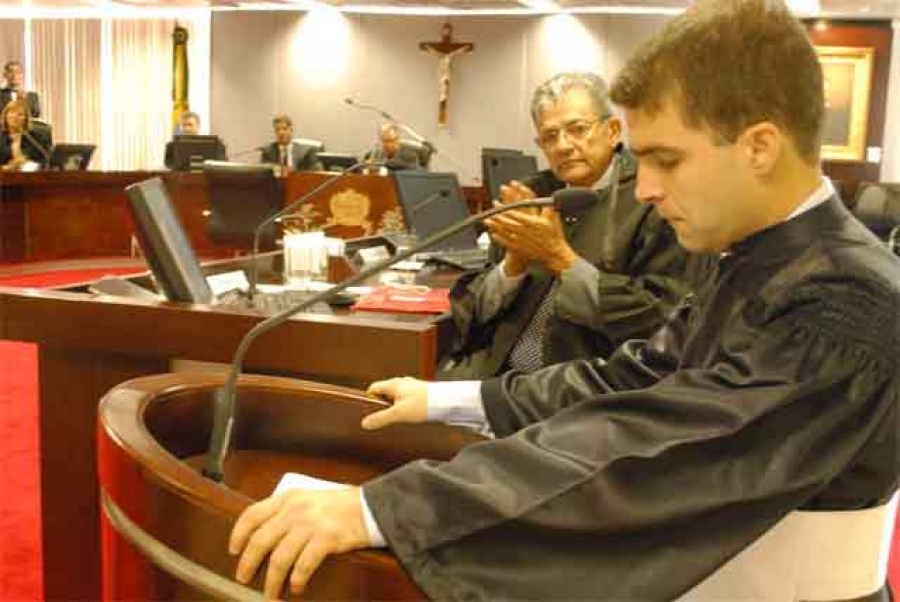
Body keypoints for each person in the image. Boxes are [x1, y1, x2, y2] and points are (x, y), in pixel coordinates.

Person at [229, 1, 900, 600]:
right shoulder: (762, 256)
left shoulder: (845, 298)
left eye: (666, 159)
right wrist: (450, 400)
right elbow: (632, 380)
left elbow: (664, 448)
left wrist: (388, 509)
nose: (646, 188)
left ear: (759, 147)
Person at [440, 71, 692, 380]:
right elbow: (477, 311)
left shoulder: (656, 199)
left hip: (585, 385)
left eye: (577, 129)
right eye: (549, 136)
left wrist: (560, 258)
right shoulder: (533, 194)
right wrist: (513, 265)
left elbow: (661, 318)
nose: (562, 146)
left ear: (613, 131)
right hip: (496, 371)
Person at [0, 99, 51, 170]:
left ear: (25, 119)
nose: (15, 116)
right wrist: (6, 168)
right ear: (5, 116)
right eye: (11, 112)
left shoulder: (35, 138)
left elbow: (46, 161)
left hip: (29, 175)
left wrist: (26, 164)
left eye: (20, 114)